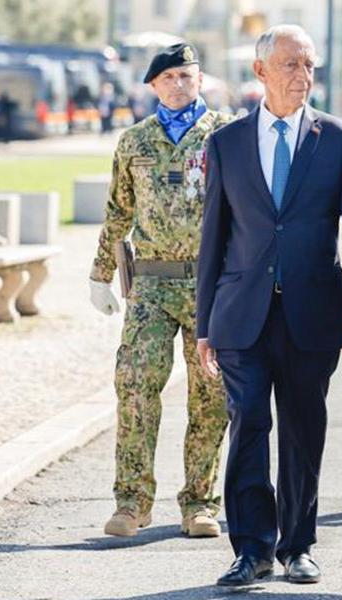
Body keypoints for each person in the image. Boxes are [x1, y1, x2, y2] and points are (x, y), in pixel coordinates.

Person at [194, 25, 342, 587]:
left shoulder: (339, 138)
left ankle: (299, 545)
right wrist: (205, 325)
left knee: (303, 428)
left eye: (309, 66)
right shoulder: (226, 143)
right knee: (248, 422)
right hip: (240, 314)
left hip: (312, 313)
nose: (302, 76)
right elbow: (214, 239)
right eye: (291, 66)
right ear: (261, 73)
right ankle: (252, 549)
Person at [88, 43, 236, 540]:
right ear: (153, 85)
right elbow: (117, 212)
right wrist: (99, 274)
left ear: (201, 80)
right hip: (150, 282)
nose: (179, 84)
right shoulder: (135, 142)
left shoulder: (224, 136)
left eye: (187, 76)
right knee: (134, 386)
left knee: (210, 393)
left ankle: (200, 502)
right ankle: (131, 502)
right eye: (169, 76)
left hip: (209, 284)